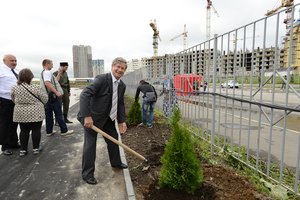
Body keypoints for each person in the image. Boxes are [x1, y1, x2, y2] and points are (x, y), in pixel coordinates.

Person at [79, 57, 128, 185]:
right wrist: (87, 116)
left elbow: (120, 104)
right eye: (118, 66)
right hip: (92, 118)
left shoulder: (122, 85)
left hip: (107, 118)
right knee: (90, 145)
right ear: (112, 66)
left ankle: (116, 162)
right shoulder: (102, 79)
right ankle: (87, 174)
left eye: (123, 68)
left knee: (114, 138)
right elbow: (85, 94)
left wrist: (122, 121)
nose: (120, 70)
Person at [11, 68, 48, 157]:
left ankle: (23, 150)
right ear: (31, 77)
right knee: (36, 130)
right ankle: (36, 149)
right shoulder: (36, 87)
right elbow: (45, 99)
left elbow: (13, 99)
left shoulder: (15, 88)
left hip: (21, 112)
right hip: (36, 111)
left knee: (23, 131)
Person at [40, 59, 74, 137]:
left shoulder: (43, 72)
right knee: (58, 114)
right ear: (47, 64)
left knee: (49, 115)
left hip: (47, 96)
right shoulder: (48, 72)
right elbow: (47, 83)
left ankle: (49, 131)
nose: (52, 65)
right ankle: (64, 130)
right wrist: (56, 92)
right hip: (53, 96)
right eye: (51, 64)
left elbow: (54, 81)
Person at [0, 54, 20, 155]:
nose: (14, 62)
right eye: (11, 60)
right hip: (4, 100)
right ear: (4, 61)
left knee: (14, 122)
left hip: (15, 101)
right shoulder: (1, 70)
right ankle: (5, 146)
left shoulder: (16, 71)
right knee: (5, 123)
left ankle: (13, 142)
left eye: (15, 60)